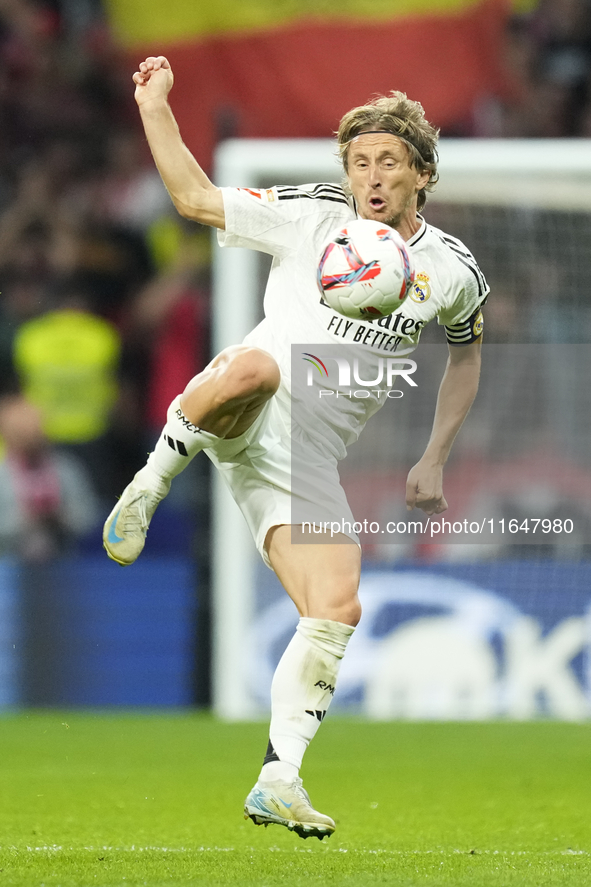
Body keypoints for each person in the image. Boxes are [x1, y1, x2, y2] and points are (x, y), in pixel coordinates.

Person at [103, 56, 487, 840]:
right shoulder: (314, 216)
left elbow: (467, 355)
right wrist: (154, 107)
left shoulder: (450, 270)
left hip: (306, 459)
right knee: (255, 361)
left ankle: (279, 776)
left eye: (387, 162)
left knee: (337, 607)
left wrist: (434, 455)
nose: (370, 176)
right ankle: (149, 481)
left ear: (421, 174)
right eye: (358, 163)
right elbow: (194, 198)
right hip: (245, 401)